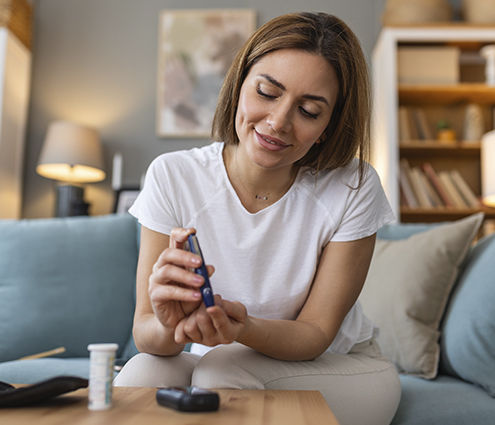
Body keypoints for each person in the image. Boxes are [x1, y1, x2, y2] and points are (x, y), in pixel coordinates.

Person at [114, 12, 401, 425]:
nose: (278, 122)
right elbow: (148, 336)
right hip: (220, 365)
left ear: (328, 126)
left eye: (308, 110)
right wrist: (167, 321)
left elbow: (315, 334)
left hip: (338, 367)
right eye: (267, 92)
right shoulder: (172, 175)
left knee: (225, 367)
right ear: (240, 83)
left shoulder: (353, 186)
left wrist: (241, 327)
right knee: (143, 371)